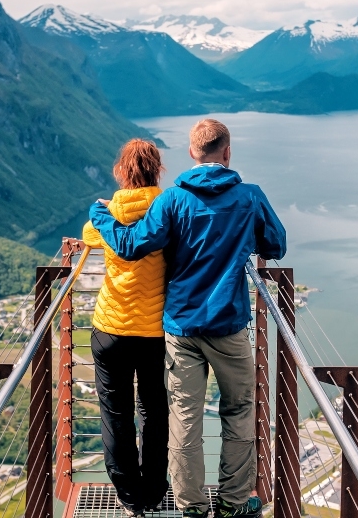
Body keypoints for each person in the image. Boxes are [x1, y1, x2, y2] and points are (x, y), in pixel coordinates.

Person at [89, 119, 287, 518]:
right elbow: (276, 246)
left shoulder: (173, 200)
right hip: (229, 325)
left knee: (183, 417)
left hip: (180, 326)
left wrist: (102, 214)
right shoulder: (250, 197)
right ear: (227, 153)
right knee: (238, 410)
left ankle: (191, 506)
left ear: (192, 153)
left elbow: (130, 245)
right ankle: (232, 502)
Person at [80, 139, 170, 517]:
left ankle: (129, 496)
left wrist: (106, 213)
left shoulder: (110, 212)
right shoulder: (169, 210)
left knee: (115, 415)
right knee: (154, 411)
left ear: (123, 171)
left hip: (110, 330)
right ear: (157, 170)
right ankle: (153, 490)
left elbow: (87, 235)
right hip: (152, 333)